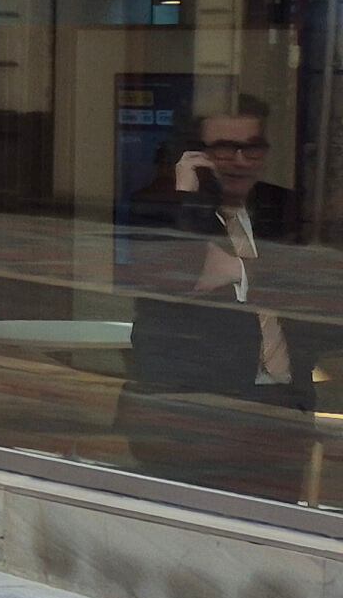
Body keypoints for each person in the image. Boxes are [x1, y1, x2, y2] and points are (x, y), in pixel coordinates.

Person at [123, 95, 318, 498]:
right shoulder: (157, 208)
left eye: (252, 147)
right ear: (195, 154)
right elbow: (181, 275)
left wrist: (236, 271)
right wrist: (189, 196)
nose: (240, 160)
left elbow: (309, 285)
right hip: (198, 415)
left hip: (283, 406)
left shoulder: (283, 206)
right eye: (225, 148)